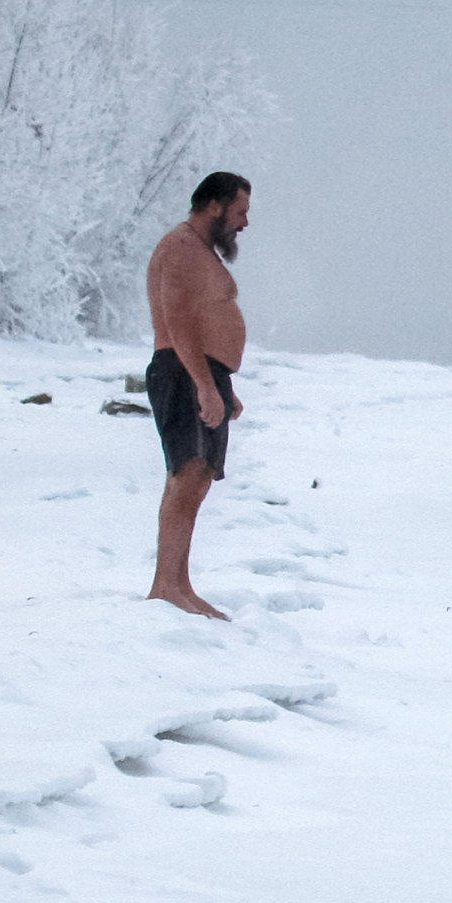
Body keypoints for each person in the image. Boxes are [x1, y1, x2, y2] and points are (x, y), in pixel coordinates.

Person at [144, 171, 253, 618]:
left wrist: (223, 385)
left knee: (200, 478)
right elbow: (179, 322)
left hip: (204, 374)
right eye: (240, 211)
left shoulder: (201, 251)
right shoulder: (182, 247)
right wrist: (206, 386)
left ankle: (180, 583)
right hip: (182, 372)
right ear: (215, 205)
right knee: (186, 473)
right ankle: (165, 585)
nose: (244, 223)